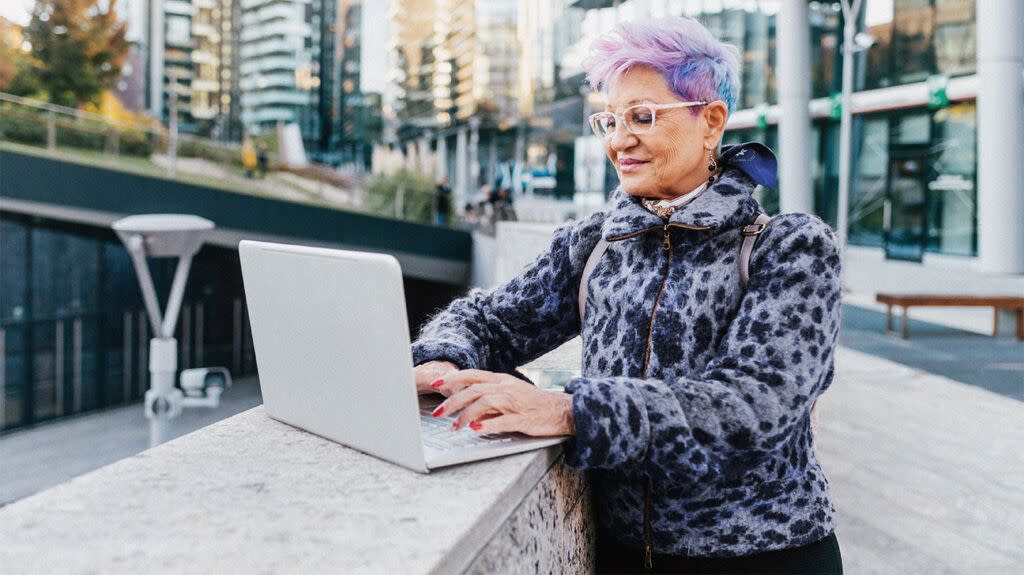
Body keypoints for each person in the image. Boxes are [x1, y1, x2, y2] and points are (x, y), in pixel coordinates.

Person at [410, 16, 843, 574]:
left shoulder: (791, 248)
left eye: (642, 117)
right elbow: (489, 320)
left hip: (764, 557)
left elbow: (752, 408)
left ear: (711, 121)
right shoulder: (593, 244)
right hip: (619, 557)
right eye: (609, 119)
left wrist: (571, 413)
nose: (618, 140)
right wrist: (443, 362)